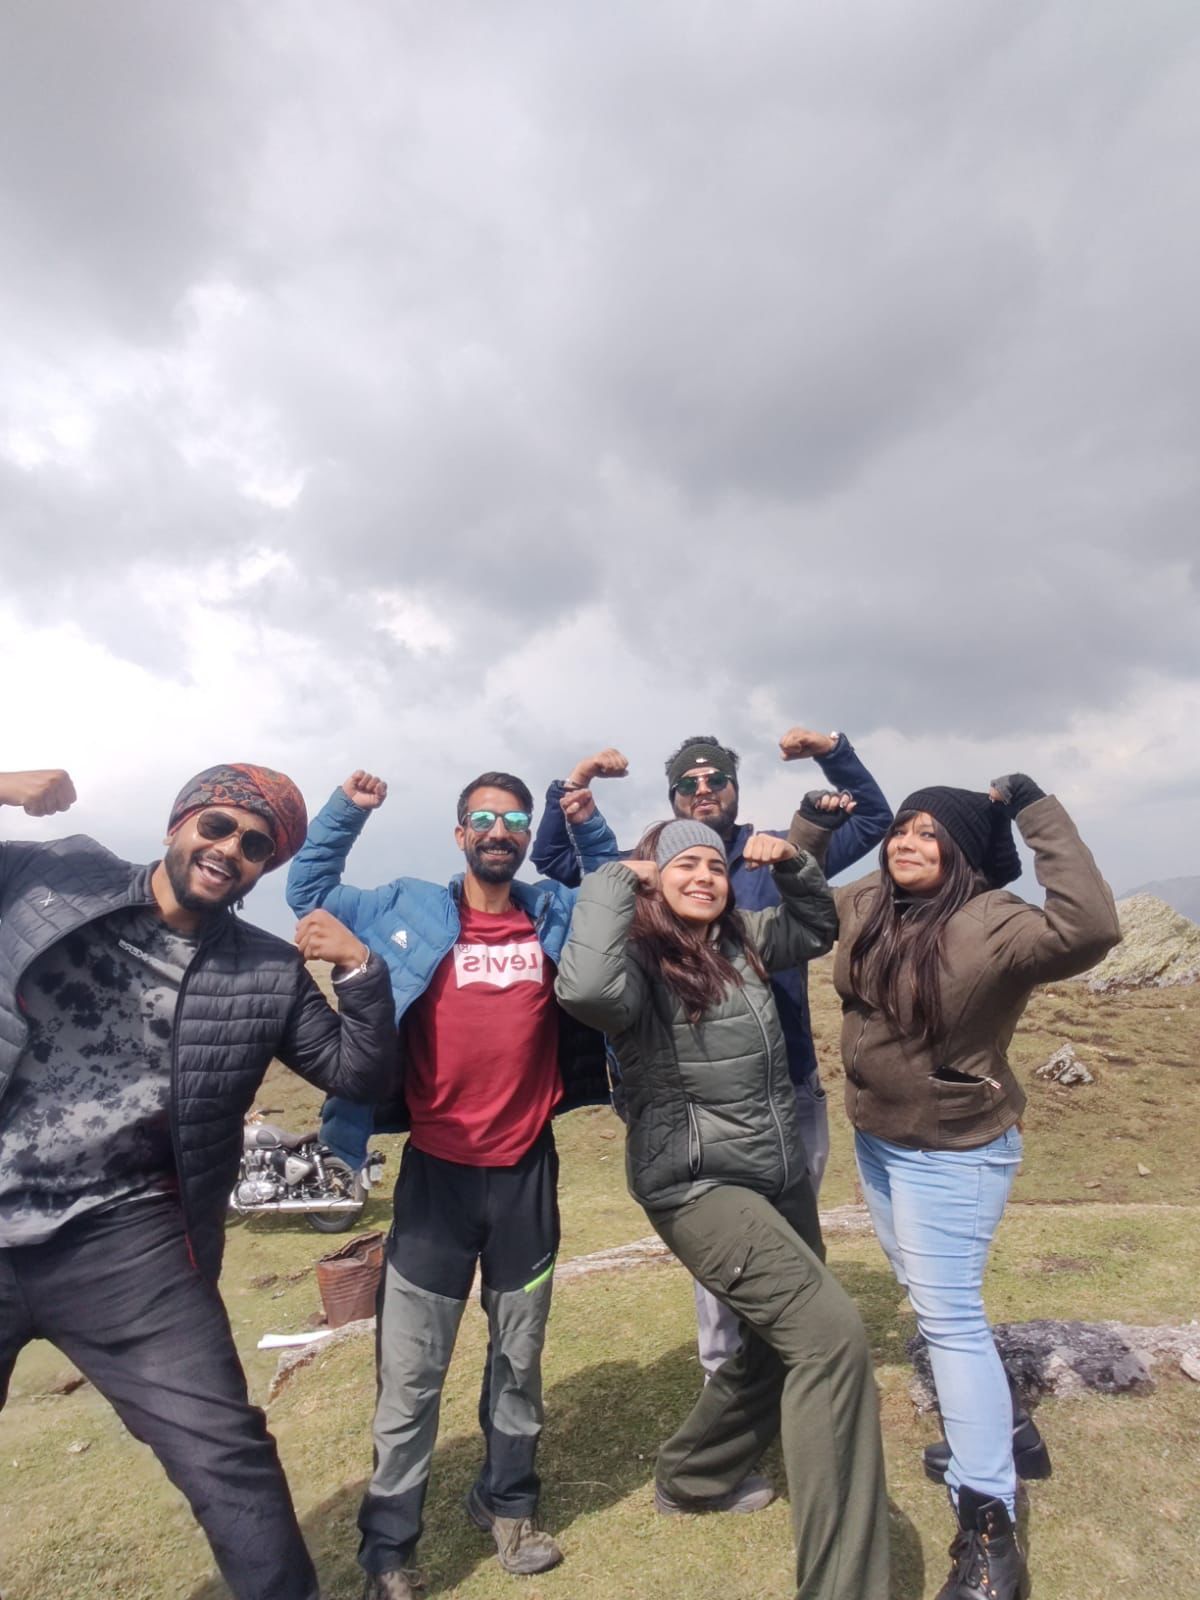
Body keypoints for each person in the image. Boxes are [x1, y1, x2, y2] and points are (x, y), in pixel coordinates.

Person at [0, 763, 396, 1600]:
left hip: (127, 1244)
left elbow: (356, 1074)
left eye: (257, 847)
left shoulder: (263, 971)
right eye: (217, 827)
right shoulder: (50, 873)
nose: (230, 851)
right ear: (181, 821)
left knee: (229, 1454)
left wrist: (361, 972)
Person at [286, 768, 618, 1600]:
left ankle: (507, 1506)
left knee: (518, 1358)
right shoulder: (407, 905)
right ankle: (388, 1553)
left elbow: (619, 903)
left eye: (513, 819)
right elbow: (307, 889)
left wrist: (589, 824)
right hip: (435, 1176)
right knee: (411, 1375)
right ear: (460, 832)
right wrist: (345, 812)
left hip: (524, 1177)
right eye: (483, 818)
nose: (499, 830)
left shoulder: (555, 911)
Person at [790, 775, 1121, 1600]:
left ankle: (989, 1533)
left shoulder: (998, 926)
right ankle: (1006, 1429)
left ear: (964, 853)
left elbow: (1092, 926)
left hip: (954, 1152)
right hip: (880, 1143)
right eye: (903, 828)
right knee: (931, 1299)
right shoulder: (872, 904)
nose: (907, 842)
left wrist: (1035, 807)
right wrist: (807, 828)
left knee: (950, 1319)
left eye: (931, 834)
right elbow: (797, 900)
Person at [555, 819, 891, 1600]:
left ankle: (694, 1475)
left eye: (714, 864)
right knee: (832, 1337)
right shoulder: (637, 958)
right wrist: (611, 881)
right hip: (697, 1183)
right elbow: (586, 992)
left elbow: (816, 925)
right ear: (654, 878)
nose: (702, 876)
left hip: (773, 1175)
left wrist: (799, 864)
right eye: (683, 866)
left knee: (779, 1343)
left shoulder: (742, 940)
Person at [533, 728, 892, 1378]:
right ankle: (728, 1382)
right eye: (688, 784)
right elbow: (563, 861)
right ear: (672, 800)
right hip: (690, 1104)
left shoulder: (764, 855)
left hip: (788, 1089)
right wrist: (575, 783)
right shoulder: (658, 870)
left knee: (790, 1245)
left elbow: (874, 821)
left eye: (715, 780)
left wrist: (830, 752)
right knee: (725, 1251)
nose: (703, 791)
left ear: (734, 787)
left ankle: (798, 1374)